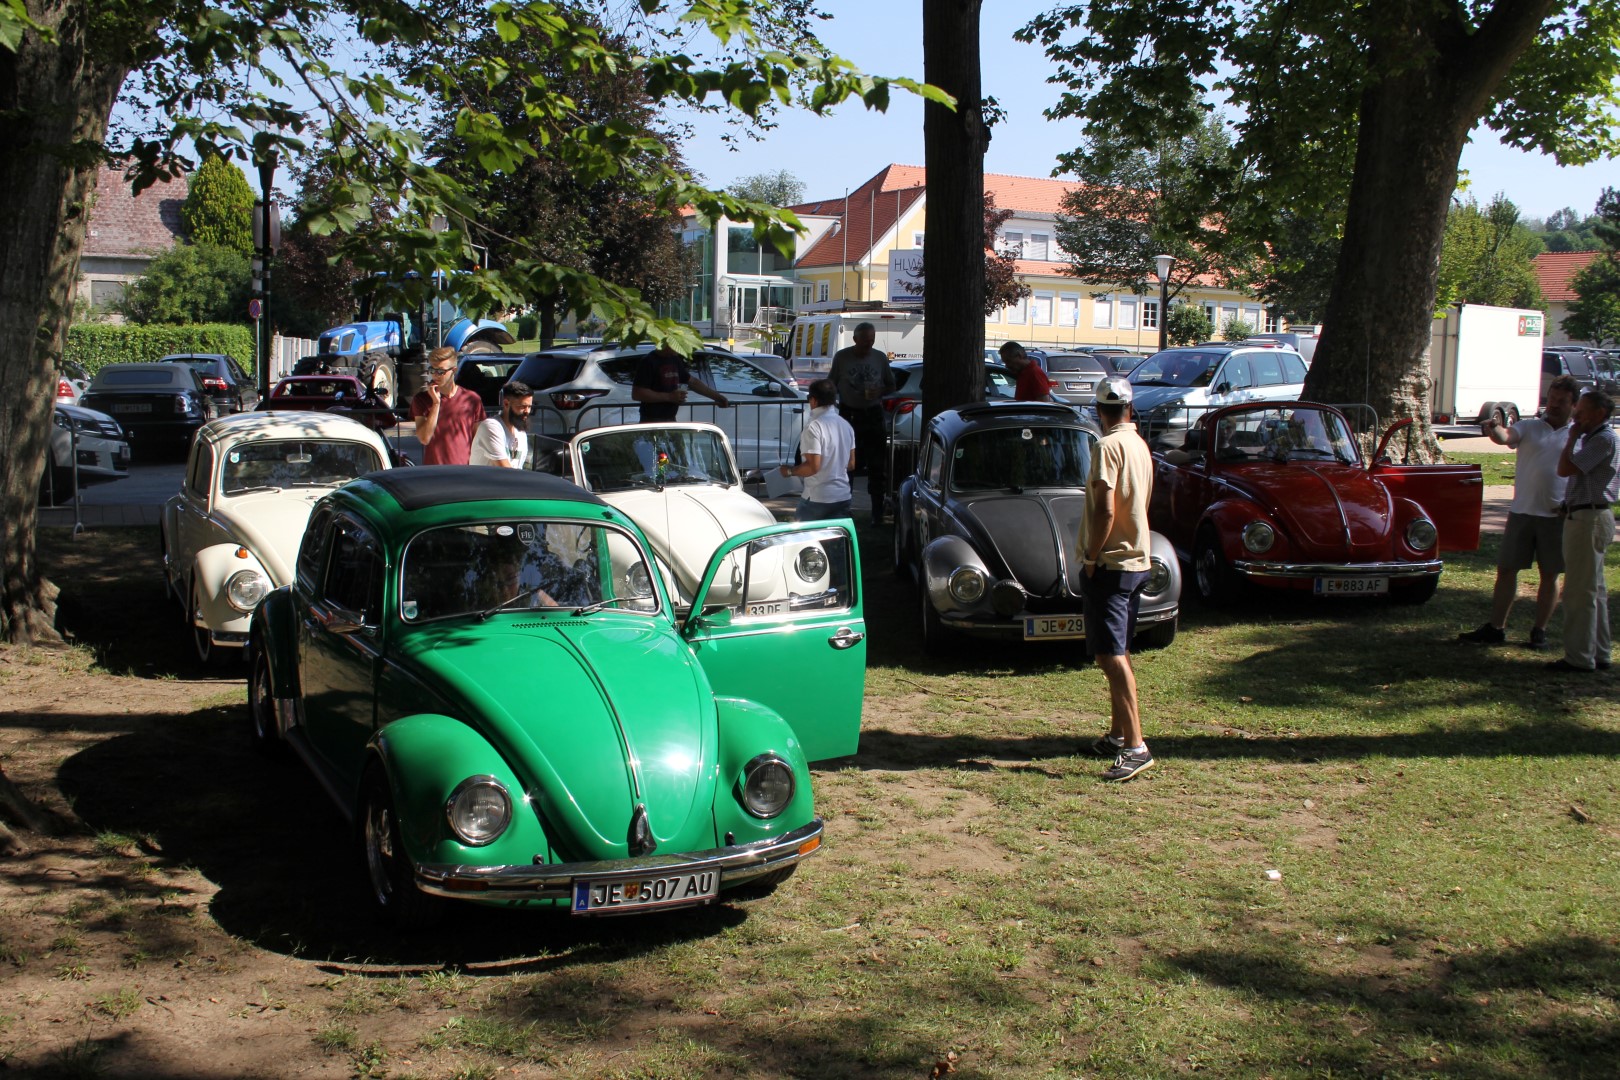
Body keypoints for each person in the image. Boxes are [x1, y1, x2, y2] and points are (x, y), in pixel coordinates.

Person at [1457, 376, 1577, 648]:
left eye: (1562, 401)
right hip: (1522, 511)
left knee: (1550, 574)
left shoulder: (1577, 435)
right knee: (1507, 569)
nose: (1555, 405)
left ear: (1574, 404)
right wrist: (1494, 429)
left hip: (1556, 515)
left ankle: (1539, 631)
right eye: (1552, 398)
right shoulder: (1529, 427)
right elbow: (1506, 437)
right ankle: (1496, 627)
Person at [1077, 376, 1156, 782]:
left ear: (1098, 410)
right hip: (1137, 560)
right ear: (1129, 407)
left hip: (1112, 564)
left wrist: (1092, 556)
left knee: (1110, 655)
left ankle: (1136, 746)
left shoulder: (1106, 446)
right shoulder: (1139, 444)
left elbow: (1105, 510)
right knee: (1118, 650)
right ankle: (1117, 734)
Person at [1547, 389, 1618, 673]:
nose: (1575, 417)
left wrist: (1572, 437)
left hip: (1589, 518)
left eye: (1581, 412)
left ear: (1599, 413)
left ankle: (1578, 658)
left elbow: (1565, 469)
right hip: (1587, 514)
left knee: (1579, 591)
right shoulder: (1597, 437)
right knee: (1595, 589)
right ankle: (1599, 652)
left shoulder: (1602, 439)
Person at [828, 322, 896, 523]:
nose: (869, 345)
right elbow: (831, 382)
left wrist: (880, 391)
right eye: (865, 341)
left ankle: (877, 513)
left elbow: (891, 385)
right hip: (849, 415)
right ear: (855, 339)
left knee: (877, 465)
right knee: (847, 465)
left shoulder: (880, 358)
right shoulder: (842, 357)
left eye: (872, 341)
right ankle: (845, 510)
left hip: (873, 414)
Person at [779, 379, 856, 521]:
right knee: (836, 541)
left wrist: (790, 471)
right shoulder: (846, 426)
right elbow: (851, 464)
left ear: (813, 400)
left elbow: (813, 467)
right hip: (842, 495)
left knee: (805, 539)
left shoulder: (813, 427)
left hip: (818, 496)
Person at [411, 346, 486, 465]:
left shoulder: (472, 399)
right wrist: (436, 403)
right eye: (432, 370)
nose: (435, 375)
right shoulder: (421, 399)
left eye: (441, 371)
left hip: (464, 472)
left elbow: (479, 441)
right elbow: (424, 438)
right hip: (434, 474)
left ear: (454, 370)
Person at [631, 344, 729, 423]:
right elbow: (637, 393)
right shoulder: (648, 361)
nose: (679, 349)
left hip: (671, 419)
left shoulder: (675, 360)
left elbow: (692, 382)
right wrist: (669, 397)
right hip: (651, 420)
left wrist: (718, 397)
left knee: (677, 447)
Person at [469, 381, 533, 469]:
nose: (527, 411)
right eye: (522, 406)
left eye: (529, 407)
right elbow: (506, 471)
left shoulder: (521, 433)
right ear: (506, 404)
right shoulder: (491, 427)